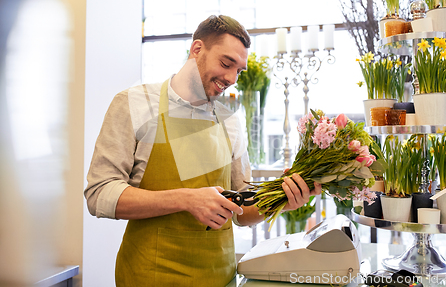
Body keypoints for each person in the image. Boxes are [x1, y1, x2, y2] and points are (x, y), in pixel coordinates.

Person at [84, 15, 322, 286]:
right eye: (226, 63)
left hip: (219, 278)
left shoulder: (230, 121)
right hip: (150, 275)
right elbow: (99, 194)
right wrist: (186, 200)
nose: (232, 78)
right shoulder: (134, 103)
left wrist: (283, 198)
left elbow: (242, 207)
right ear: (197, 49)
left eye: (239, 70)